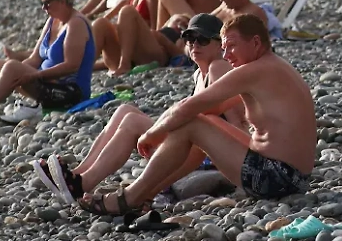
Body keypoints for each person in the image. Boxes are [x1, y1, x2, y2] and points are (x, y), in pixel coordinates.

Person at [75, 14, 314, 215]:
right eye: (223, 48)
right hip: (294, 177)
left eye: (231, 46)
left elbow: (188, 107)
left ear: (255, 42)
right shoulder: (274, 67)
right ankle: (147, 194)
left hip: (276, 178)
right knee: (203, 122)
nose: (227, 55)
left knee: (193, 124)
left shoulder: (254, 71)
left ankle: (130, 198)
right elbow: (211, 109)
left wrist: (151, 134)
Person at [35, 13, 243, 204]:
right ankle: (78, 175)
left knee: (132, 121)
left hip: (206, 153)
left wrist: (233, 167)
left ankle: (81, 184)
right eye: (190, 39)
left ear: (219, 45)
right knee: (125, 109)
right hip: (191, 144)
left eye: (203, 40)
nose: (194, 44)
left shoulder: (219, 67)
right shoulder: (199, 73)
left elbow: (236, 120)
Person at [0, 0, 94, 126]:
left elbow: (71, 66)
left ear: (62, 0)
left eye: (47, 3)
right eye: (42, 3)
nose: (43, 8)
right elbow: (35, 58)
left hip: (71, 92)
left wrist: (35, 75)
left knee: (12, 67)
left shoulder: (76, 24)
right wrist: (4, 77)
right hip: (47, 83)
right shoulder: (53, 20)